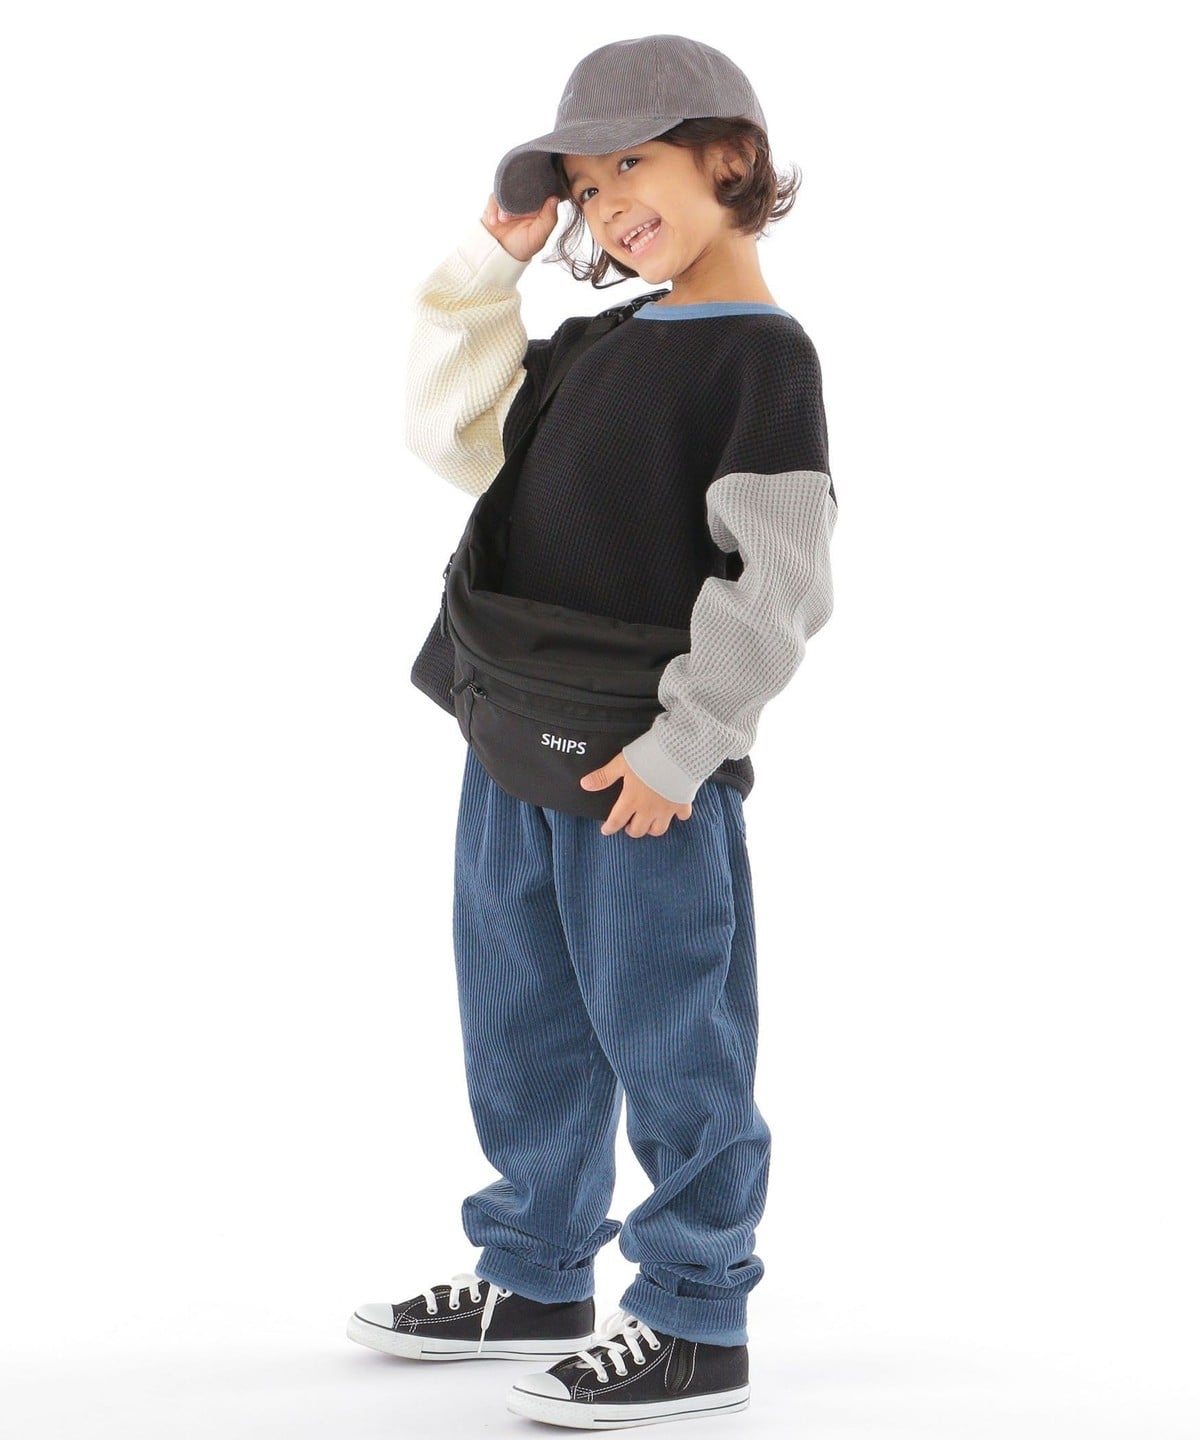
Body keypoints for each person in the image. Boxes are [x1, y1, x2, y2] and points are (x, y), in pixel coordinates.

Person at [347, 33, 838, 1430]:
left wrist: (688, 746)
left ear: (731, 158)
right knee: (519, 1019)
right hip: (512, 732)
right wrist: (488, 264)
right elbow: (454, 438)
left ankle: (694, 1317)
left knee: (672, 1035)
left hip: (641, 768)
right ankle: (536, 1274)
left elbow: (781, 578)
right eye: (583, 183)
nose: (607, 201)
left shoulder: (761, 359)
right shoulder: (599, 345)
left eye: (632, 161)